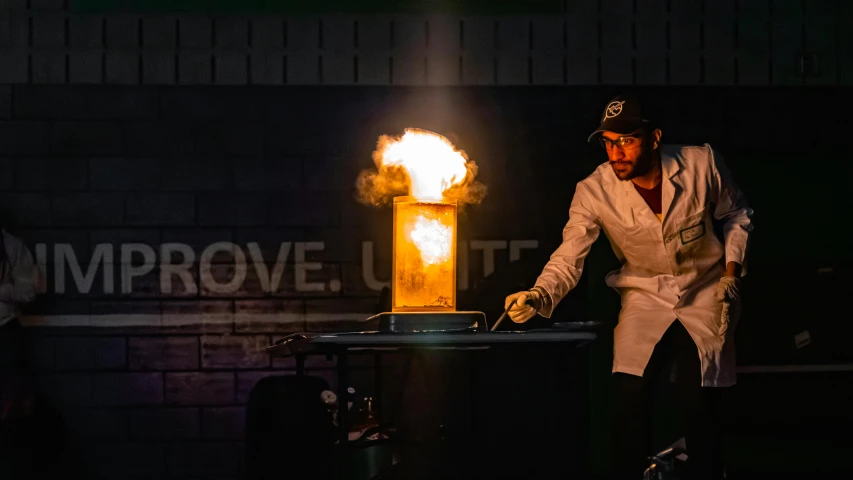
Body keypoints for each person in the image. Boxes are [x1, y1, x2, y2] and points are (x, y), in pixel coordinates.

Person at [504, 94, 753, 480]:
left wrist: (731, 273)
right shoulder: (593, 190)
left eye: (626, 140)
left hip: (707, 289)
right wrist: (539, 294)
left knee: (699, 399)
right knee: (628, 397)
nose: (615, 152)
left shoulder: (700, 164)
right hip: (644, 293)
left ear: (654, 138)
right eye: (608, 141)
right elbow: (570, 254)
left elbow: (737, 214)